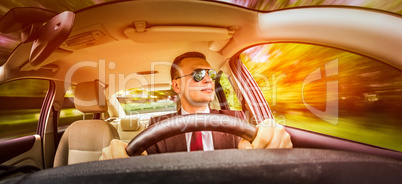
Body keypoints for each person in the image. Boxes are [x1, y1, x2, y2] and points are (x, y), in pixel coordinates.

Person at [100, 52, 292, 160]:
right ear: (177, 85)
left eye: (211, 73)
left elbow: (262, 142)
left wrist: (272, 138)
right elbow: (143, 165)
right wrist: (119, 161)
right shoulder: (156, 125)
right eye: (198, 74)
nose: (208, 79)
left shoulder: (238, 119)